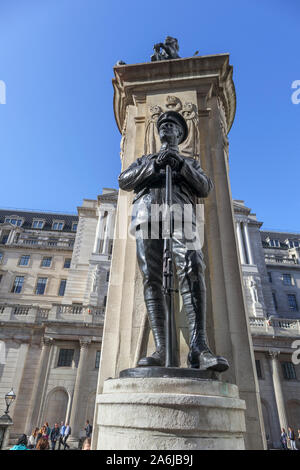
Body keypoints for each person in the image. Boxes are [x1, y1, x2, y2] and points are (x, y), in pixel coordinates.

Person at [118, 110, 228, 371]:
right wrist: (155, 166)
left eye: (172, 125)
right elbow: (124, 180)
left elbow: (205, 187)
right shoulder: (145, 159)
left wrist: (179, 166)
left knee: (193, 267)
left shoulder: (190, 162)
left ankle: (199, 348)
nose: (167, 127)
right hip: (147, 215)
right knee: (151, 276)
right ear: (158, 132)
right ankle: (161, 349)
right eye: (163, 124)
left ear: (180, 133)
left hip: (181, 214)